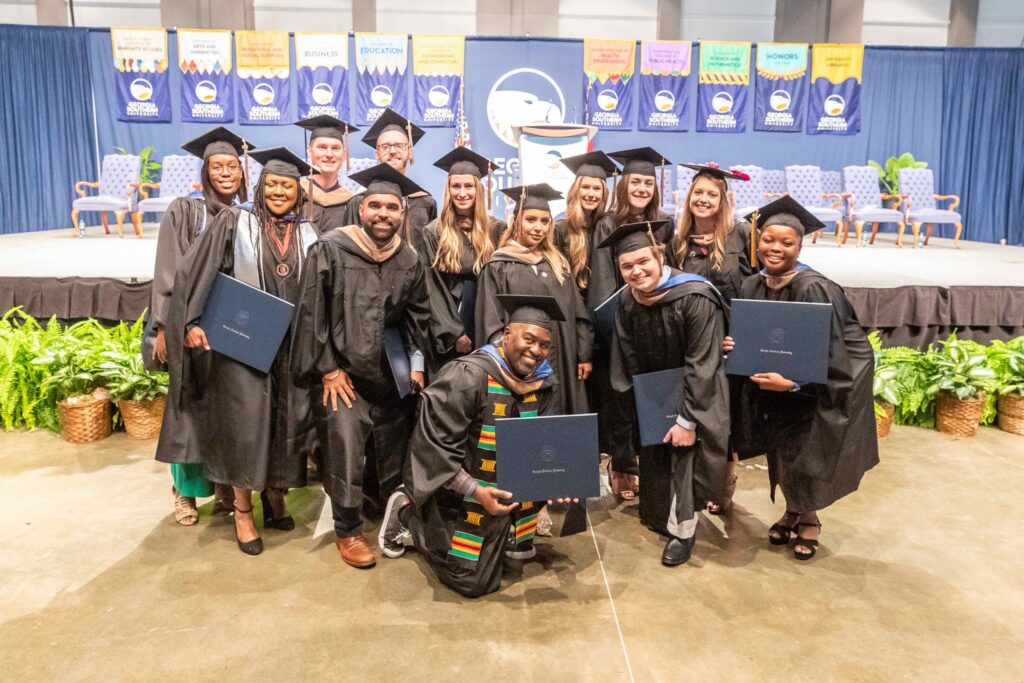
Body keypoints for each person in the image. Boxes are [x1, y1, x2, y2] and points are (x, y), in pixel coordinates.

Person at [157, 146, 319, 556]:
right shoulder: (234, 221)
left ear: (299, 192)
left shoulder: (309, 233)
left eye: (288, 185)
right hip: (243, 347)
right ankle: (244, 512)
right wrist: (191, 322)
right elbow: (196, 270)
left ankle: (275, 497)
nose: (280, 192)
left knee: (286, 426)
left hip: (289, 349)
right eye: (274, 184)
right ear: (262, 185)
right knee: (247, 429)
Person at [378, 294, 578, 598]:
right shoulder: (466, 376)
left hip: (510, 486)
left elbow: (544, 443)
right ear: (507, 334)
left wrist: (555, 481)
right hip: (458, 491)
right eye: (529, 339)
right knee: (473, 583)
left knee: (522, 556)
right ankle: (406, 512)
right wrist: (475, 490)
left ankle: (508, 529)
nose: (536, 351)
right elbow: (433, 449)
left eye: (545, 345)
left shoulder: (543, 381)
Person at [290, 163, 431, 570]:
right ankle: (347, 529)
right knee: (345, 447)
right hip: (343, 376)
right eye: (375, 206)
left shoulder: (409, 258)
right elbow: (311, 315)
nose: (383, 215)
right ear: (361, 208)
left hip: (389, 373)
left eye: (391, 207)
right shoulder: (331, 249)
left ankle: (388, 515)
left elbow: (417, 317)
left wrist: (417, 365)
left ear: (402, 213)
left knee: (393, 447)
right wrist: (329, 370)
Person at [730, 195, 879, 561]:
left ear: (801, 244)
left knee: (804, 452)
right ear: (757, 238)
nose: (775, 248)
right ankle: (792, 510)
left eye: (787, 242)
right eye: (768, 239)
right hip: (770, 388)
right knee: (780, 451)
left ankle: (809, 518)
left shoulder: (814, 287)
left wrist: (796, 383)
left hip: (811, 392)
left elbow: (834, 351)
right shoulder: (752, 285)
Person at [605, 222, 731, 566]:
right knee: (658, 457)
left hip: (698, 391)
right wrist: (637, 405)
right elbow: (626, 355)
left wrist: (688, 420)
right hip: (657, 394)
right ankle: (663, 515)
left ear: (659, 254)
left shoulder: (694, 296)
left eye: (643, 261)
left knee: (686, 459)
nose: (636, 271)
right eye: (627, 266)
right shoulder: (629, 302)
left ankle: (684, 531)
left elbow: (702, 362)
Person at [145, 126, 246, 525]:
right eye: (217, 166)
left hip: (227, 326)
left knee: (223, 410)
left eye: (232, 167)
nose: (226, 173)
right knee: (187, 412)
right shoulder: (184, 210)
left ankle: (223, 485)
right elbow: (168, 271)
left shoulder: (246, 214)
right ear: (205, 172)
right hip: (186, 323)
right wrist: (165, 326)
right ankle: (184, 492)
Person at [667, 163, 755, 514]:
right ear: (689, 198)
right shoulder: (678, 243)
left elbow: (756, 289)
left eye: (711, 194)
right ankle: (696, 484)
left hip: (731, 344)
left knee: (727, 418)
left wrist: (746, 337)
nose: (704, 200)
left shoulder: (742, 235)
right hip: (693, 344)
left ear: (723, 200)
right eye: (698, 193)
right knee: (694, 412)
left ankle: (724, 481)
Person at [586, 147, 673, 501]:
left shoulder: (666, 221)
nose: (641, 188)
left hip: (656, 320)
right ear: (623, 184)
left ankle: (652, 462)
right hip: (619, 324)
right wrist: (614, 324)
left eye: (647, 182)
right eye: (635, 181)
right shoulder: (607, 222)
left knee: (652, 394)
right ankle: (622, 463)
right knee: (619, 396)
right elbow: (603, 281)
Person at [475, 183, 593, 417]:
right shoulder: (499, 265)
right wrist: (509, 362)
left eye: (544, 220)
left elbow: (578, 313)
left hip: (565, 360)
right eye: (531, 220)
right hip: (520, 364)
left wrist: (584, 354)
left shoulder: (558, 264)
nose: (538, 227)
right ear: (516, 220)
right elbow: (491, 321)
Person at [417, 147, 505, 373]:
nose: (462, 193)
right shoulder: (434, 231)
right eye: (456, 186)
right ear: (448, 189)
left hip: (488, 318)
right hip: (450, 322)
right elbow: (432, 286)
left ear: (479, 189)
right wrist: (453, 332)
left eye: (469, 186)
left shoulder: (496, 229)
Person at [339, 108, 436, 242]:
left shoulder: (426, 202)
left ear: (410, 152)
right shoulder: (358, 202)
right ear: (376, 154)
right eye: (385, 147)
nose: (392, 151)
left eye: (399, 146)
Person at [553, 151, 617, 295]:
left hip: (600, 303)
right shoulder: (560, 229)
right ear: (575, 190)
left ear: (604, 194)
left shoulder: (606, 227)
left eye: (597, 189)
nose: (591, 194)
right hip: (571, 305)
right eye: (585, 187)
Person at [295, 114, 360, 234]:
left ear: (344, 154)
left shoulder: (350, 202)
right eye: (322, 147)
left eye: (335, 148)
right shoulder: (295, 193)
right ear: (309, 151)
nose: (329, 154)